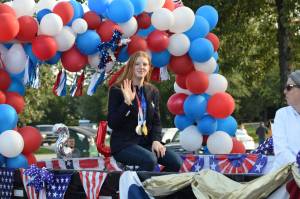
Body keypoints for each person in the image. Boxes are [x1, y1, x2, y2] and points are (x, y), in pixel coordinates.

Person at [107, 51, 183, 172]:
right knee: (149, 160)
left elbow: (156, 122)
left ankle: (159, 187)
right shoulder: (117, 89)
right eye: (137, 64)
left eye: (144, 64)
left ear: (149, 68)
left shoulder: (152, 91)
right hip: (124, 144)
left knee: (176, 162)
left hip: (146, 143)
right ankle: (137, 188)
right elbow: (112, 123)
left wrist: (156, 141)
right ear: (131, 67)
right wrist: (126, 103)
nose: (141, 67)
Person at [271, 70, 300, 172]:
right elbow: (281, 150)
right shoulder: (282, 114)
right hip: (283, 177)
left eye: (289, 87)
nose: (285, 91)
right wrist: (297, 166)